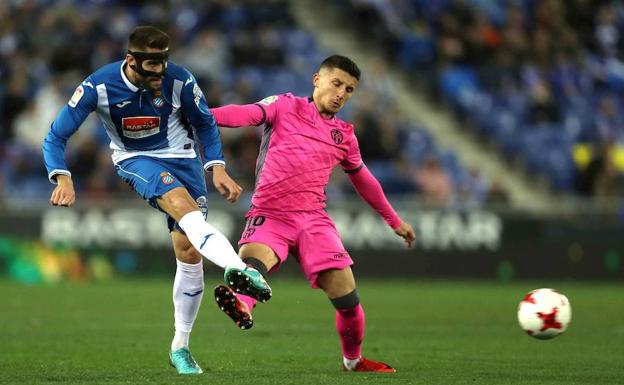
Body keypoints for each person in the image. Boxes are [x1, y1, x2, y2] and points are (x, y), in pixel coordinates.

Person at [41, 26, 272, 375]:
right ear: (131, 59)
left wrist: (217, 168)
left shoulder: (179, 80)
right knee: (183, 207)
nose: (159, 72)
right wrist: (63, 175)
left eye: (163, 62)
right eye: (151, 64)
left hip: (184, 160)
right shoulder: (98, 86)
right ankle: (238, 269)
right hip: (136, 160)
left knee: (188, 252)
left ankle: (180, 347)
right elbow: (57, 135)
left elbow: (206, 124)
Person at [210, 55, 416, 372]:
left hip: (313, 221)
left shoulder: (344, 135)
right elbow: (246, 114)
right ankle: (242, 306)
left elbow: (364, 180)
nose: (341, 94)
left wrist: (394, 220)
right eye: (336, 83)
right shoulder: (284, 105)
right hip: (270, 213)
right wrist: (203, 116)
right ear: (317, 79)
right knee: (251, 266)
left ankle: (353, 361)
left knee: (348, 301)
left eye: (349, 90)